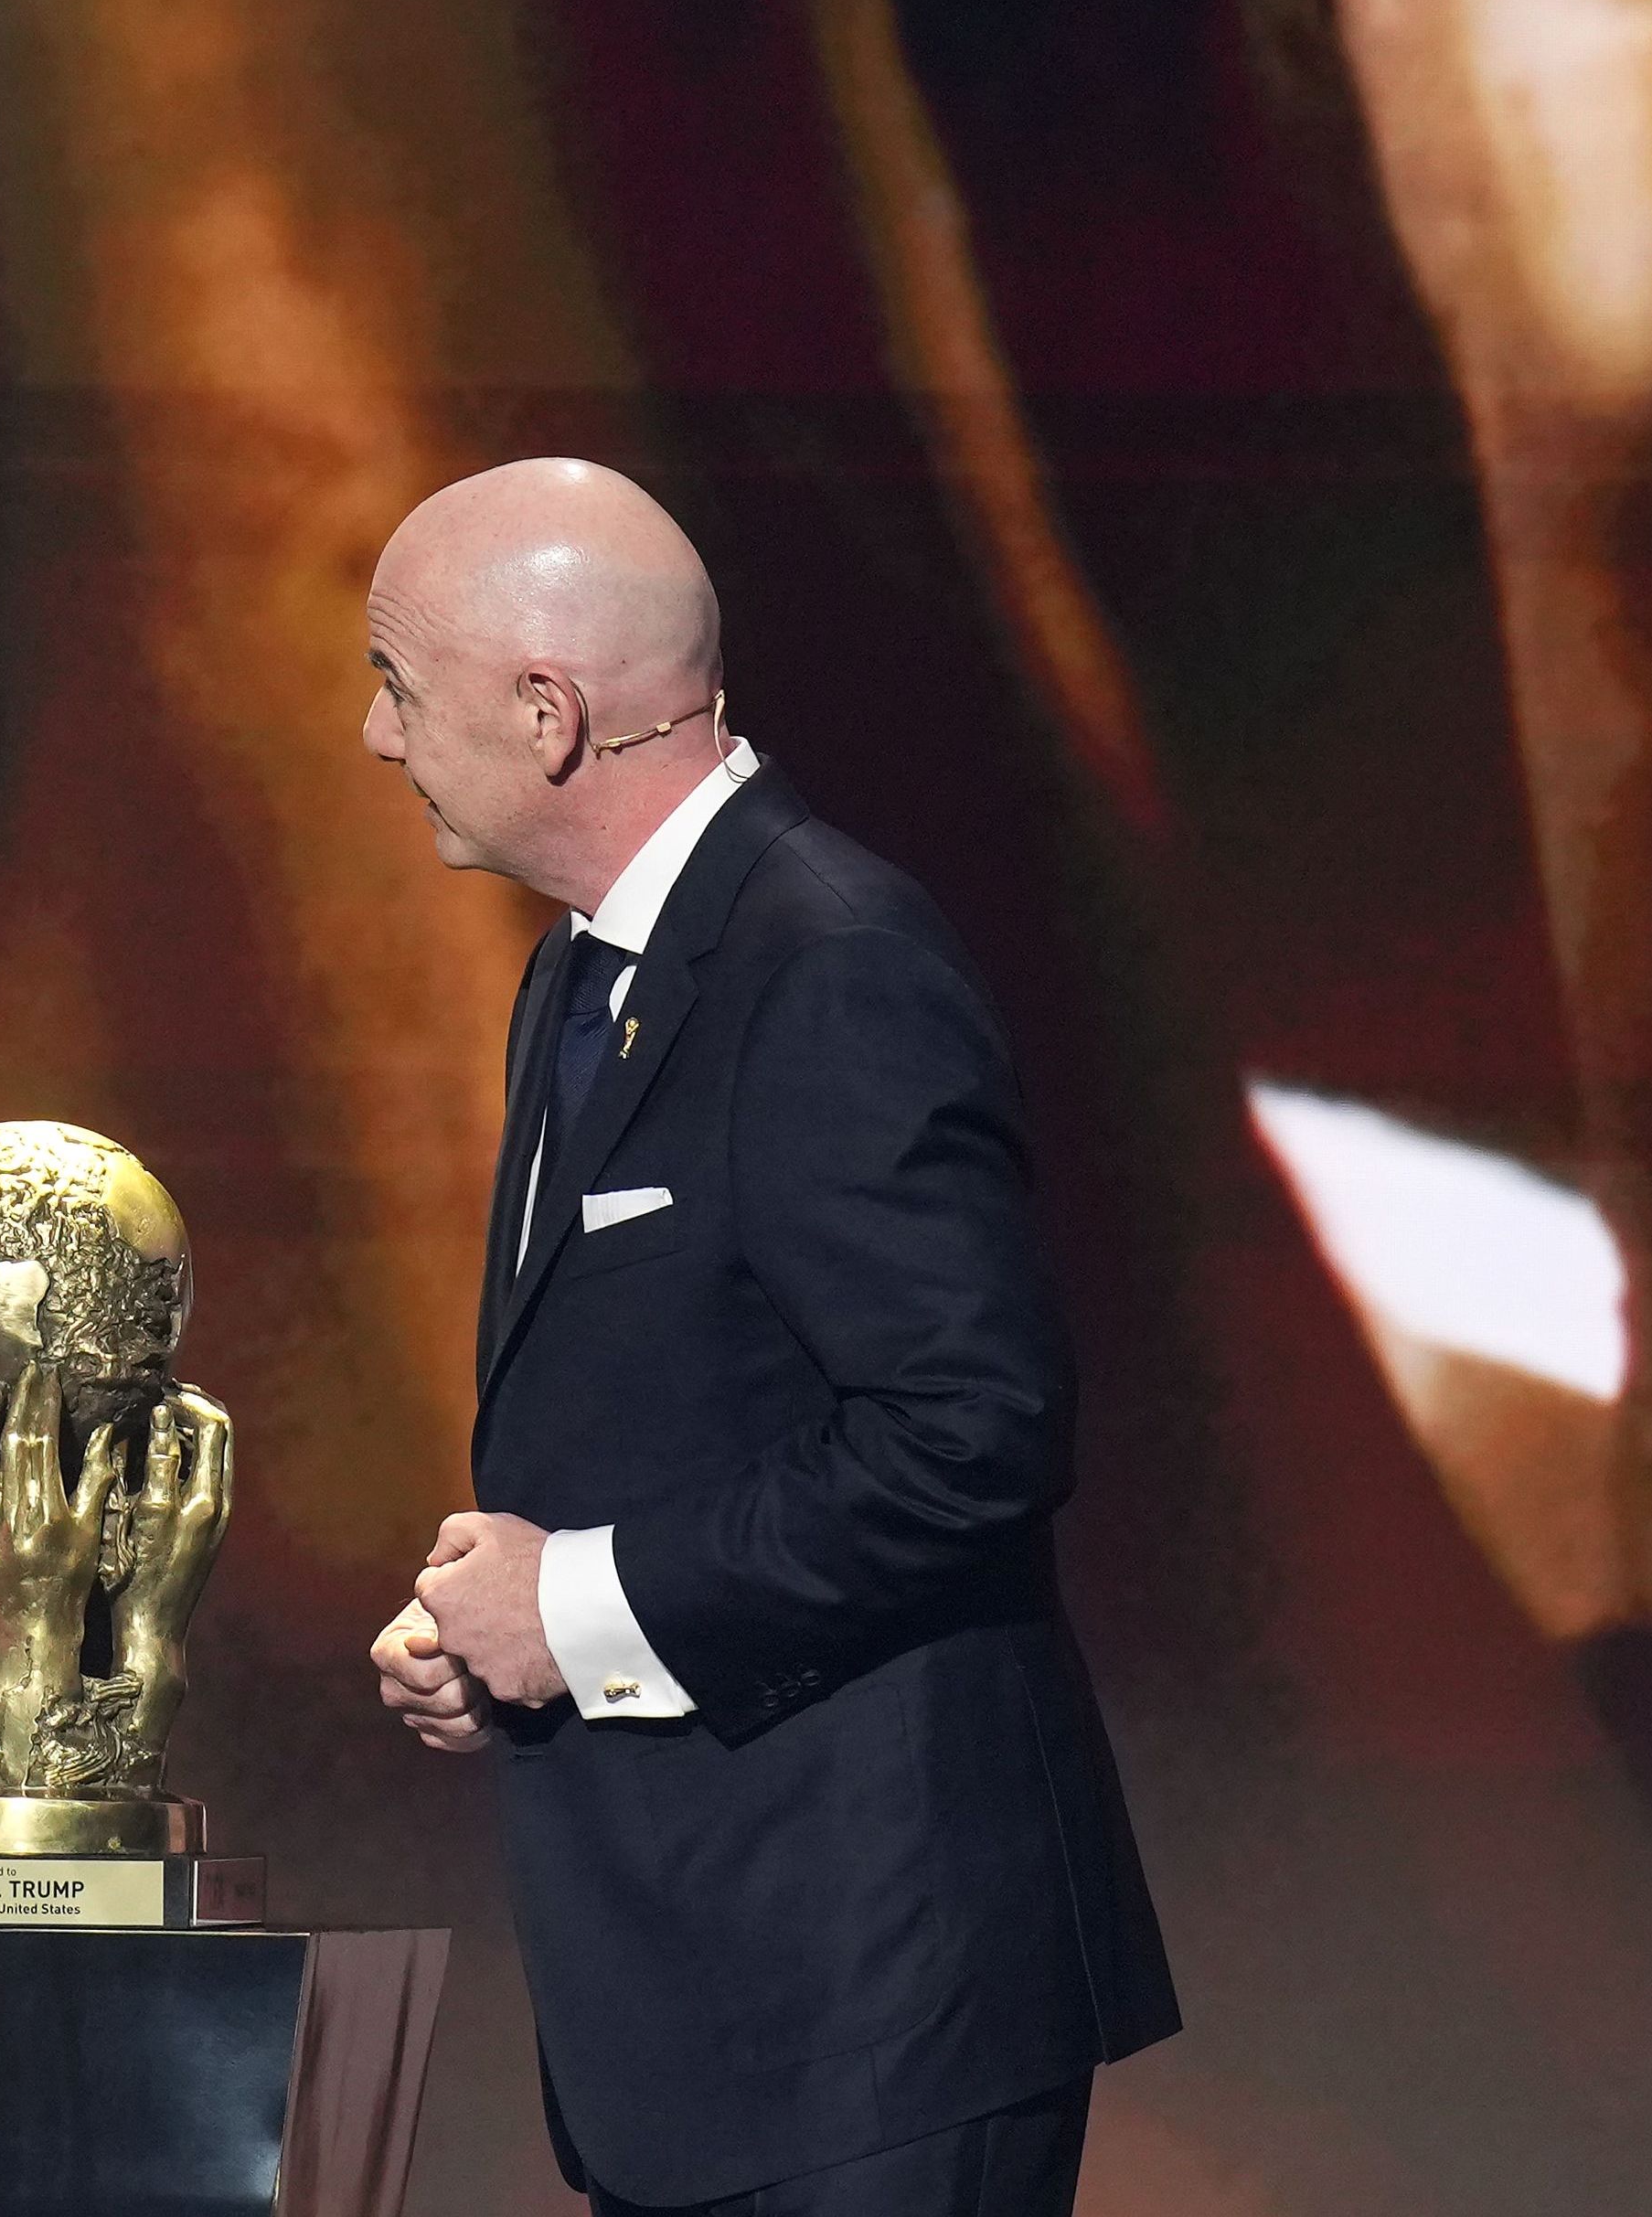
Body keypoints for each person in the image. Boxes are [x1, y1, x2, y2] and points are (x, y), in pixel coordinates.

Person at [358, 458, 1174, 2217]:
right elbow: (683, 1409)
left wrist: (579, 1606)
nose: (375, 733)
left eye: (398, 684)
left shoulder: (828, 957)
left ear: (548, 714)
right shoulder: (582, 972)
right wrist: (507, 1637)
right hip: (711, 2011)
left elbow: (970, 1429)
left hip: (873, 2003)